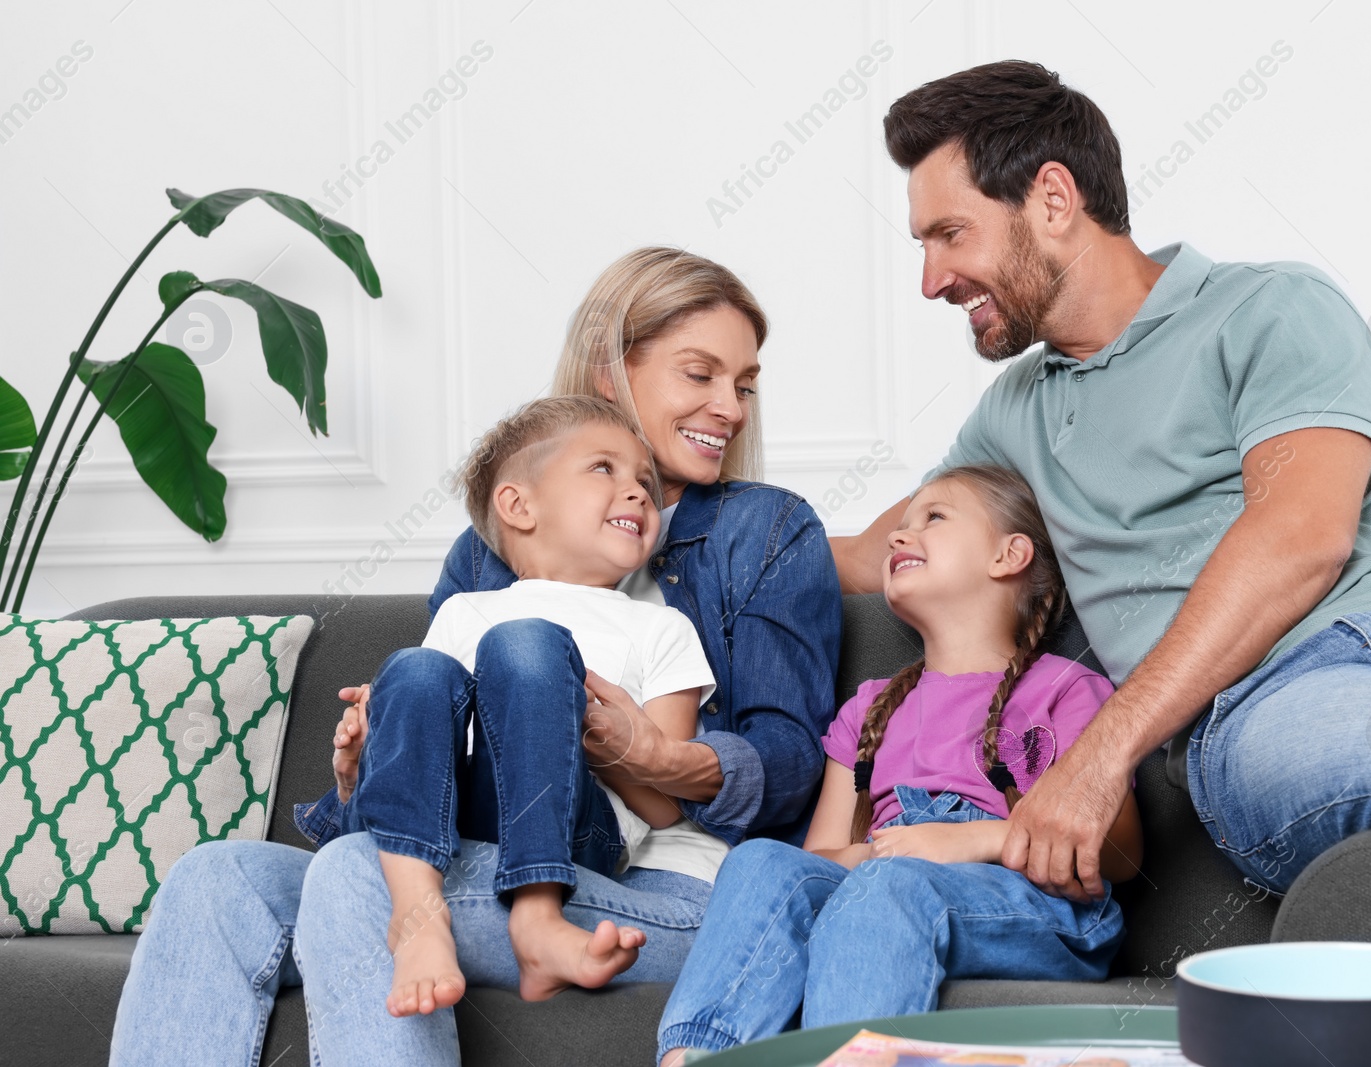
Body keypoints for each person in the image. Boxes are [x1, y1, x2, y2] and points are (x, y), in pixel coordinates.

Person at [830, 61, 1371, 1064]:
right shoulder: (1016, 413)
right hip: (1264, 703)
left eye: (948, 233)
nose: (932, 277)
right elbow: (860, 551)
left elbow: (1300, 532)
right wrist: (661, 489)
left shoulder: (1269, 307)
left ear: (1052, 200)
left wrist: (1092, 755)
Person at [109, 248, 843, 1066]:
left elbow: (793, 768)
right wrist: (364, 767)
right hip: (475, 846)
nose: (731, 407)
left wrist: (661, 756)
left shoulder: (767, 531)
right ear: (611, 372)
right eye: (700, 374)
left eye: (744, 384)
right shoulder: (485, 559)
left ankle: (529, 925)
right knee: (218, 879)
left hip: (669, 887)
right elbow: (436, 738)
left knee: (358, 876)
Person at [657, 466, 1142, 1065]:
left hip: (1039, 905)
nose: (897, 536)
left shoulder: (1066, 689)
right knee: (760, 861)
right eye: (901, 524)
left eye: (933, 517)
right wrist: (885, 852)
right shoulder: (869, 708)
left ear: (1009, 554)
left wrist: (970, 840)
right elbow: (821, 861)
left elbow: (1120, 852)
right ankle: (696, 1057)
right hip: (889, 875)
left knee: (890, 885)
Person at [343, 395, 723, 1016]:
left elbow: (664, 808)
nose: (637, 493)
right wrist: (373, 745)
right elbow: (435, 745)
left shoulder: (663, 628)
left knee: (527, 644)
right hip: (461, 819)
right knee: (412, 671)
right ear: (519, 506)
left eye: (646, 484)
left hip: (582, 827)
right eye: (605, 469)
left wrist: (593, 736)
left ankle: (539, 916)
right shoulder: (463, 611)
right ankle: (417, 914)